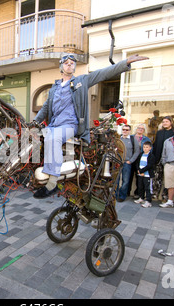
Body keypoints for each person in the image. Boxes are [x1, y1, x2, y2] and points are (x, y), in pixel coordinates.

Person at [32, 53, 149, 198]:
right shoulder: (54, 88)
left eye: (72, 62)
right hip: (54, 124)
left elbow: (103, 73)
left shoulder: (81, 81)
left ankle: (53, 183)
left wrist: (125, 62)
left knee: (53, 138)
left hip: (69, 125)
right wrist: (35, 122)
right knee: (34, 138)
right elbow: (45, 107)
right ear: (61, 66)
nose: (69, 64)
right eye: (66, 62)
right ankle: (33, 176)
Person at [152, 116, 174, 201]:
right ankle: (155, 194)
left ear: (171, 122)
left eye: (166, 121)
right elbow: (156, 144)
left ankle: (165, 196)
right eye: (163, 122)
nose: (164, 123)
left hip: (169, 159)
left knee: (168, 178)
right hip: (159, 158)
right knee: (157, 177)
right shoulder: (159, 132)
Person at [117, 124, 141, 202]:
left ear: (129, 131)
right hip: (117, 163)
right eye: (123, 129)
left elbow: (137, 151)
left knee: (126, 180)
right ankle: (115, 195)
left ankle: (122, 196)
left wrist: (130, 161)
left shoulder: (133, 139)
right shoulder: (118, 139)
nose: (125, 131)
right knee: (116, 180)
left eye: (127, 130)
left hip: (126, 163)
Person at [130, 124, 152, 198]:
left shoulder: (146, 139)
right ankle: (126, 192)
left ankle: (138, 193)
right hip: (131, 158)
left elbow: (150, 150)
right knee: (129, 176)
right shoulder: (131, 137)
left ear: (144, 130)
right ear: (136, 129)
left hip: (140, 159)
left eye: (142, 129)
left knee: (138, 177)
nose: (140, 129)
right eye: (139, 128)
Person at [134, 141, 156, 208]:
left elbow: (149, 166)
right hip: (140, 174)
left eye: (147, 147)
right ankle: (141, 197)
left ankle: (148, 201)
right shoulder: (141, 154)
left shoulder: (151, 156)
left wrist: (142, 171)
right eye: (144, 147)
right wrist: (138, 170)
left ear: (150, 148)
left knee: (147, 188)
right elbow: (137, 163)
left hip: (147, 175)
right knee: (140, 186)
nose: (145, 148)